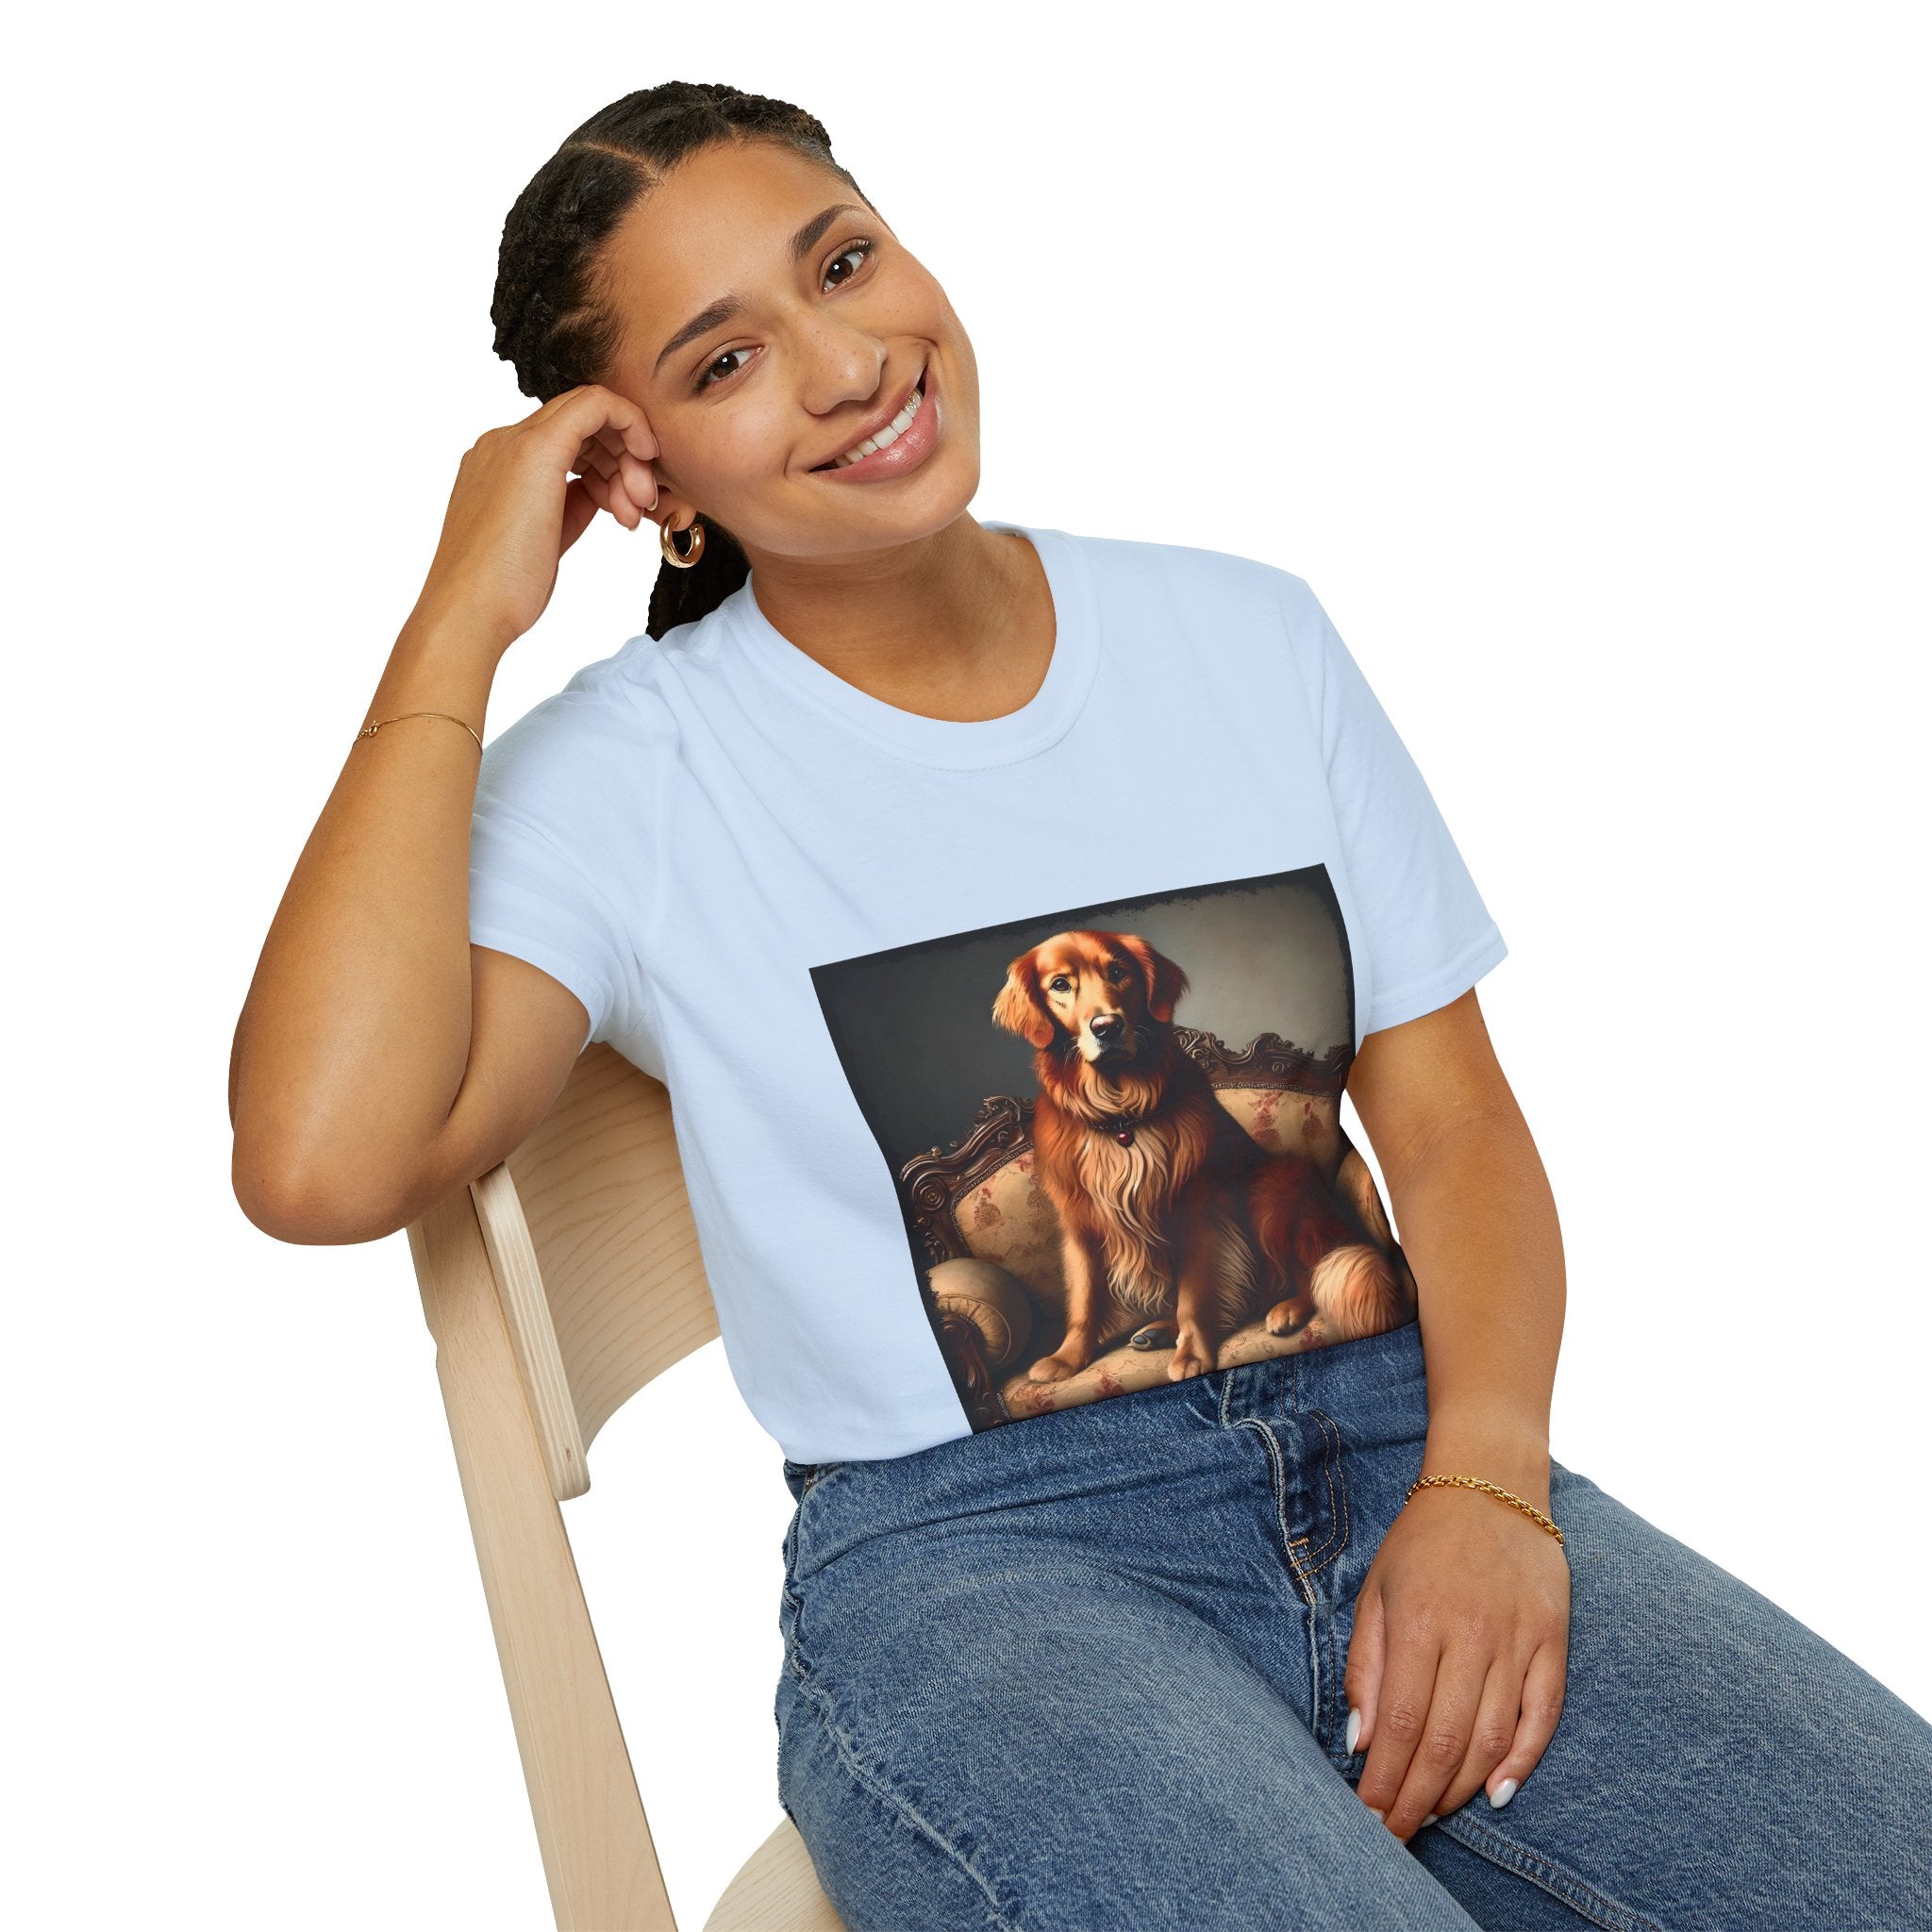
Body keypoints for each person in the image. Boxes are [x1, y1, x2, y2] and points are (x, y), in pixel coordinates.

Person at [228, 81, 1932, 1932]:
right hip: (984, 1567)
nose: (845, 362)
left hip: (1399, 1444)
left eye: (845, 263)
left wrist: (1490, 1486)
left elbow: (1447, 1126)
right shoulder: (634, 774)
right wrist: (456, 619)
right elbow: (321, 1159)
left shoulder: (1244, 637)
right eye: (725, 362)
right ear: (646, 477)